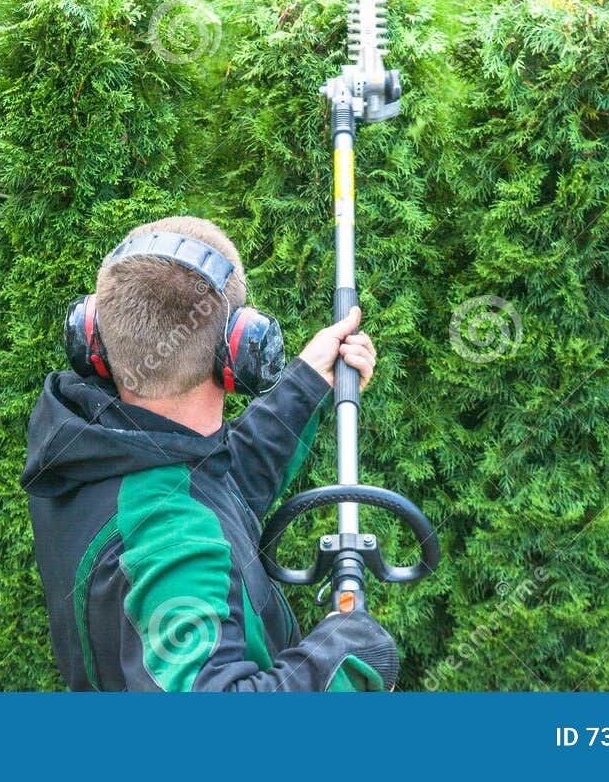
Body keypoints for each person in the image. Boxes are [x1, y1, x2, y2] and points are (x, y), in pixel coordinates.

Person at [22, 215, 401, 691]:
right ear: (240, 352)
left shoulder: (96, 448)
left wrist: (307, 382)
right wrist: (347, 660)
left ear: (92, 335)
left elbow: (217, 483)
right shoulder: (174, 542)